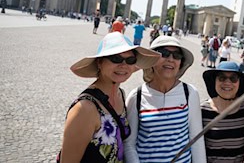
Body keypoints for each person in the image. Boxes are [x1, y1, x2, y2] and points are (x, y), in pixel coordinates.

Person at [58, 32, 160, 162]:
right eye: (115, 59)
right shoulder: (85, 109)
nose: (123, 65)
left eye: (130, 60)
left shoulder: (121, 94)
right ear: (100, 62)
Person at [124, 36, 207, 163]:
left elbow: (196, 140)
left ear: (181, 63)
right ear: (152, 60)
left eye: (176, 55)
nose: (170, 59)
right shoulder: (137, 96)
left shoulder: (189, 93)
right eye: (164, 53)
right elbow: (129, 144)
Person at [201, 61, 244, 162]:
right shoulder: (202, 111)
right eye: (222, 78)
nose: (227, 83)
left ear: (239, 83)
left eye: (233, 78)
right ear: (214, 81)